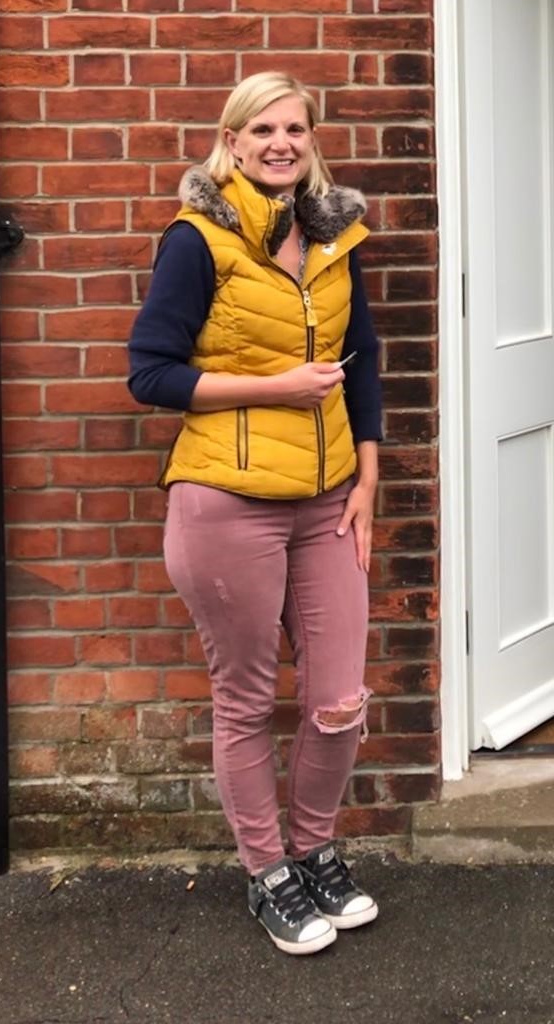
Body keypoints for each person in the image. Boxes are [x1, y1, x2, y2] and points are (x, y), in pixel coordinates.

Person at [128, 71, 383, 956]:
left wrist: (367, 481)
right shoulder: (196, 240)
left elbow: (364, 361)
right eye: (263, 130)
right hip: (225, 503)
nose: (282, 143)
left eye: (296, 129)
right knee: (245, 700)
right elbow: (150, 373)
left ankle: (314, 849)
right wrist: (275, 388)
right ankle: (267, 871)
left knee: (339, 699)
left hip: (328, 499)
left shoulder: (335, 239)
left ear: (312, 141)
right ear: (231, 142)